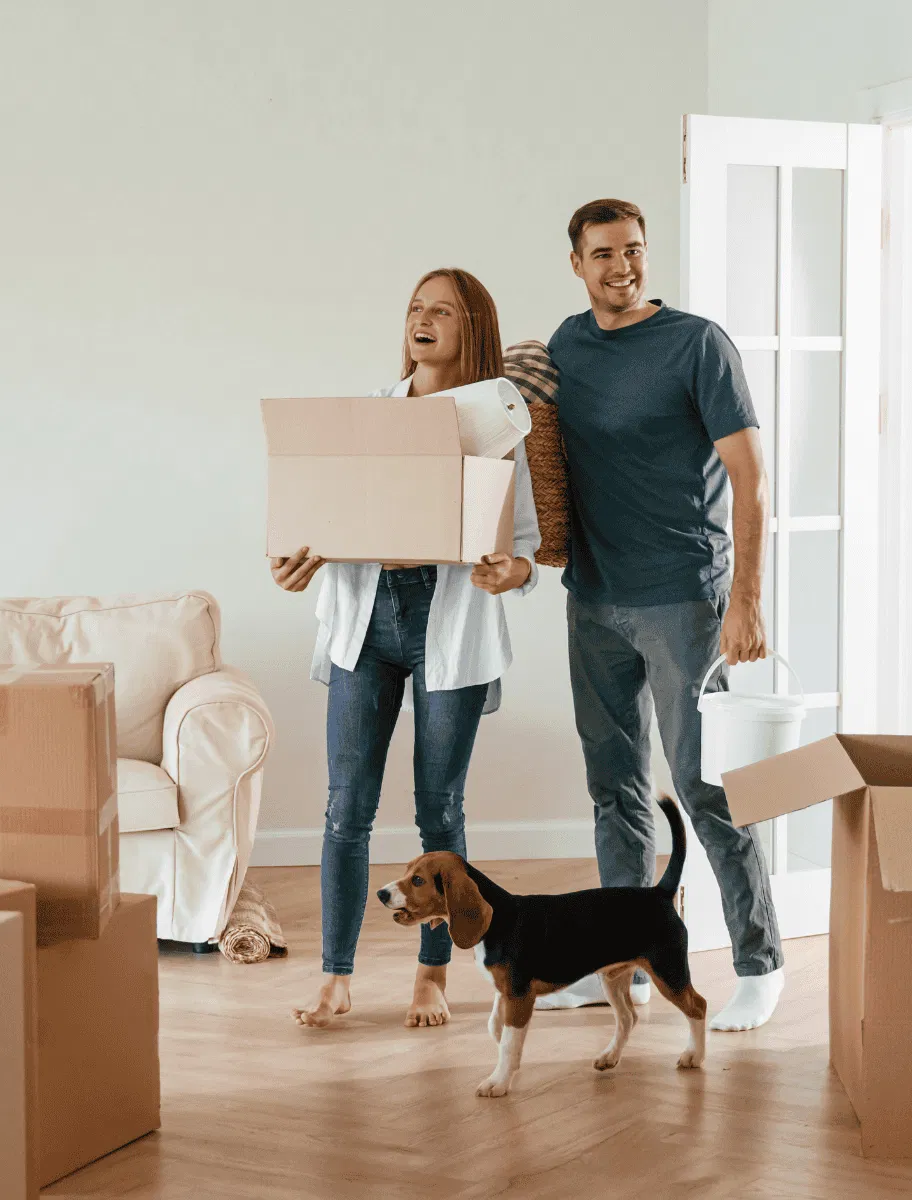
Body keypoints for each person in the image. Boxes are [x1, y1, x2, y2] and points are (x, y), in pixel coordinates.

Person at [537, 199, 784, 1032]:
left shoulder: (696, 342)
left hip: (684, 596)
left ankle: (759, 961)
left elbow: (750, 475)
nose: (622, 266)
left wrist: (744, 599)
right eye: (603, 253)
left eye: (633, 251)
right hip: (594, 599)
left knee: (703, 785)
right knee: (614, 790)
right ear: (576, 262)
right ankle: (624, 965)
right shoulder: (566, 347)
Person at [273, 268, 540, 1031]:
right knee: (344, 808)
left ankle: (432, 977)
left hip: (449, 626)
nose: (422, 320)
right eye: (415, 309)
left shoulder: (498, 427)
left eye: (442, 311)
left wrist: (504, 572)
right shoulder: (367, 419)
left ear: (471, 328)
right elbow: (318, 522)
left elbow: (525, 549)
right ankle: (336, 975)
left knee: (439, 811)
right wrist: (297, 564)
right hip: (368, 625)